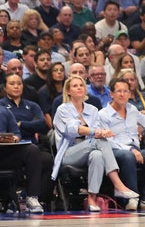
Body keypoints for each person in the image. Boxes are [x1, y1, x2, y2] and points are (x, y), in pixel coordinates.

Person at [51, 75, 139, 212]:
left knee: (97, 155)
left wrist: (101, 132)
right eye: (75, 86)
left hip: (91, 148)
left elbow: (98, 131)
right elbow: (73, 129)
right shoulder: (63, 109)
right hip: (69, 153)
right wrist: (97, 132)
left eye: (81, 85)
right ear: (68, 91)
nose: (79, 88)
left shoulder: (92, 110)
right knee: (100, 140)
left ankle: (92, 198)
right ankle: (117, 184)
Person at [98, 78, 145, 211]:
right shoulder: (103, 114)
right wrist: (130, 149)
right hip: (115, 151)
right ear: (111, 94)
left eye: (125, 91)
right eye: (119, 91)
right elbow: (107, 141)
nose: (122, 94)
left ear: (130, 94)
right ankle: (132, 198)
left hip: (135, 149)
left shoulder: (132, 109)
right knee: (128, 156)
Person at [0, 105, 46, 213]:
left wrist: (14, 139)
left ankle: (32, 197)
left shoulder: (4, 111)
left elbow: (16, 133)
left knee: (32, 150)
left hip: (4, 154)